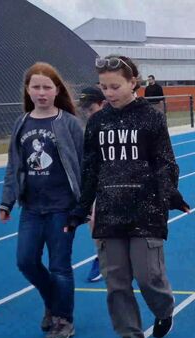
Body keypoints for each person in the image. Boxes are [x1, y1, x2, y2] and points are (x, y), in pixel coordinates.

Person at [67, 55, 190, 338]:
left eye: (115, 86)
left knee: (149, 277)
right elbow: (90, 169)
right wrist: (80, 209)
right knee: (117, 282)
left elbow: (165, 162)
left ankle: (164, 309)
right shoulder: (97, 123)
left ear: (133, 82)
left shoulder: (151, 118)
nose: (108, 92)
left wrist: (166, 198)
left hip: (145, 210)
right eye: (104, 87)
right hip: (109, 212)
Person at [0, 62, 84, 338]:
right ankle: (53, 301)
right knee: (26, 261)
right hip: (32, 208)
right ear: (28, 90)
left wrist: (86, 204)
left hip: (62, 208)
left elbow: (84, 165)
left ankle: (63, 320)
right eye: (36, 87)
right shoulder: (22, 123)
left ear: (56, 90)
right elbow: (14, 165)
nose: (42, 92)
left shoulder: (69, 123)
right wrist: (6, 202)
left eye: (47, 87)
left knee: (60, 266)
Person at [78, 86, 107, 282]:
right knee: (93, 219)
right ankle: (101, 256)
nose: (88, 113)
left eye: (91, 109)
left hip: (119, 180)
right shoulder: (84, 128)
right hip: (93, 180)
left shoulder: (118, 123)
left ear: (102, 104)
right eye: (85, 110)